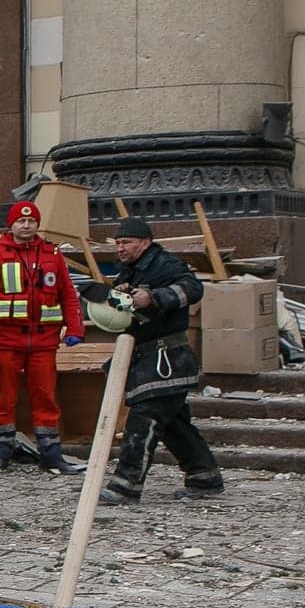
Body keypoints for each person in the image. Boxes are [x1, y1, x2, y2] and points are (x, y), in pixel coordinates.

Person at [85, 216, 223, 504]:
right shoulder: (128, 271)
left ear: (145, 242)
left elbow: (193, 289)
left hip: (167, 360)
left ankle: (125, 486)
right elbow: (127, 312)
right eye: (118, 243)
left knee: (144, 419)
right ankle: (204, 477)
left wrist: (154, 297)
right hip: (146, 358)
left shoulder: (166, 264)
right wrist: (116, 296)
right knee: (174, 424)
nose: (120, 248)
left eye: (126, 242)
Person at [0, 200, 83, 473]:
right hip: (7, 340)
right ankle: (0, 453)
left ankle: (50, 455)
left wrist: (75, 328)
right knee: (4, 397)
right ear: (11, 225)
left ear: (37, 224)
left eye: (31, 221)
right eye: (21, 221)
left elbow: (67, 294)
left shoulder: (52, 253)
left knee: (45, 397)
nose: (26, 225)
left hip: (44, 341)